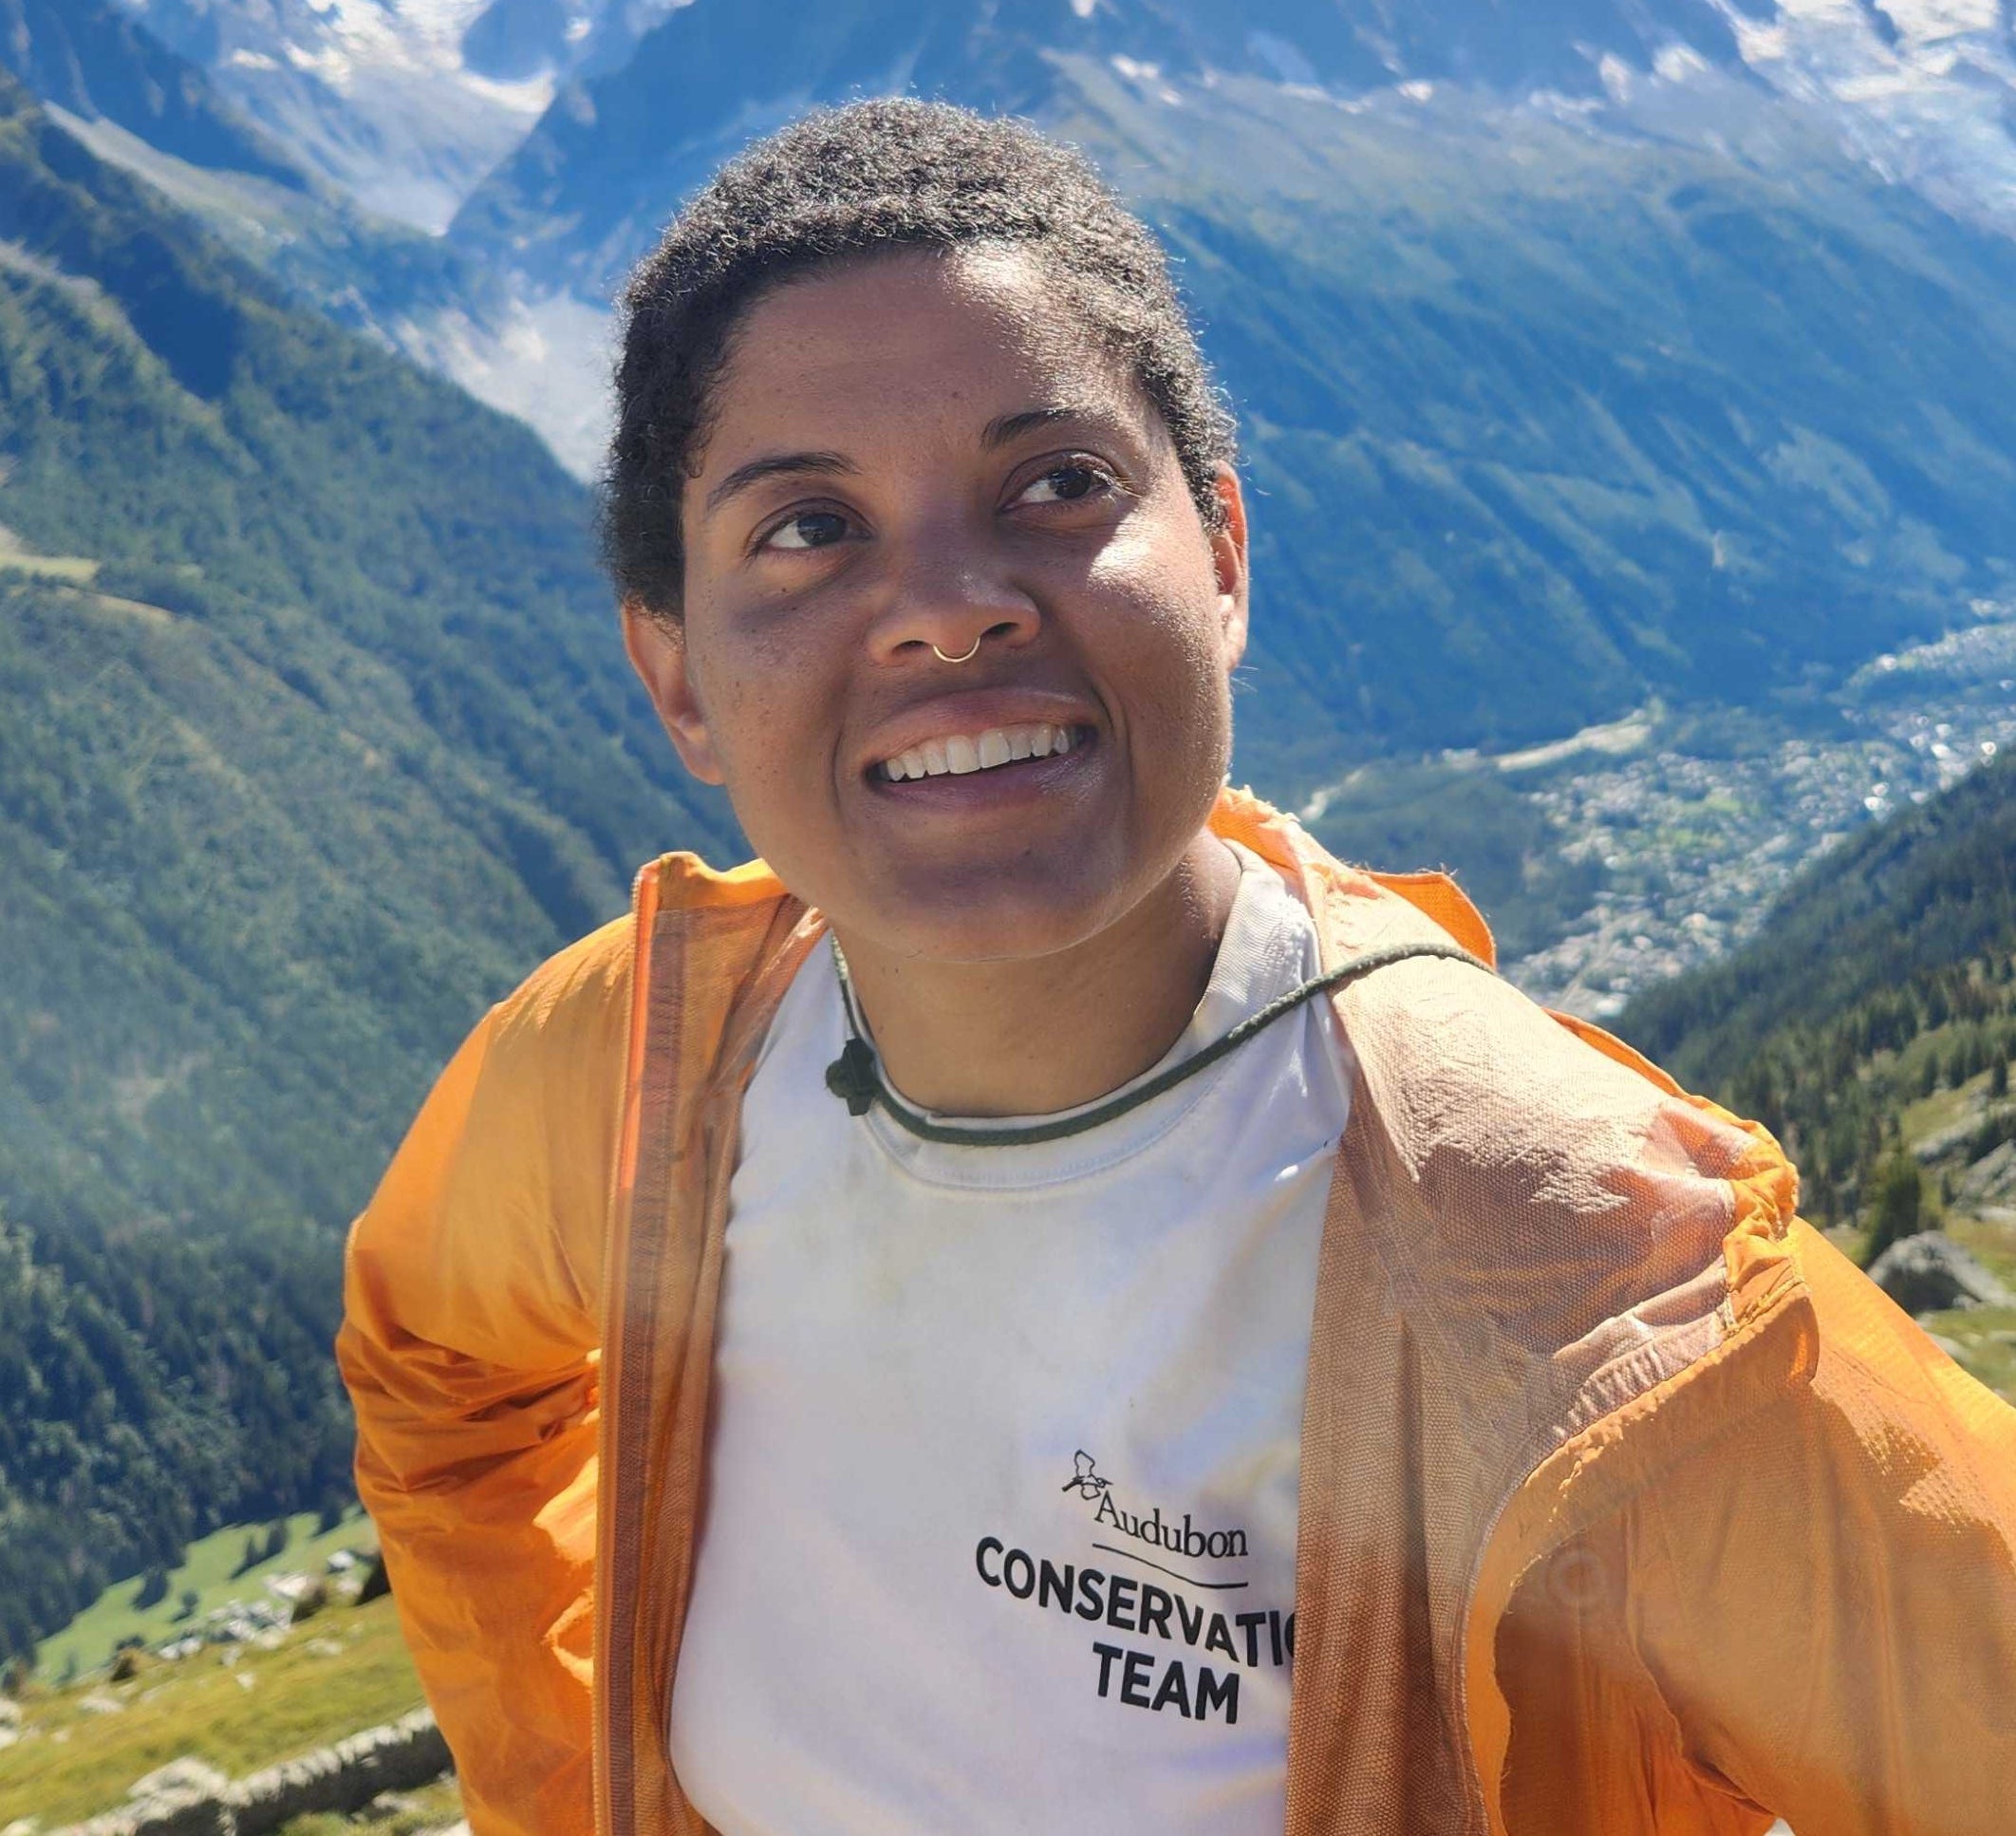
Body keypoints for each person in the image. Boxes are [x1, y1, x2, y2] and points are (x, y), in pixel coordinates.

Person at [336, 99, 2016, 1836]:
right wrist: (572, 1793)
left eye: (1056, 484)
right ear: (678, 676)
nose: (951, 604)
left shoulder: (1570, 1272)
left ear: (1221, 556)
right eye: (809, 527)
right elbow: (434, 1365)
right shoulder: (644, 1063)